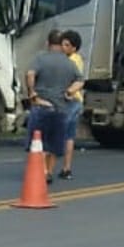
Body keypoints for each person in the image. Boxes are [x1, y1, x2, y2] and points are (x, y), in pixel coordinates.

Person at [25, 30, 84, 183]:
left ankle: (41, 171)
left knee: (40, 141)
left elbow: (30, 74)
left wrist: (32, 93)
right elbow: (81, 80)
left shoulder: (40, 58)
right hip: (61, 108)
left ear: (47, 43)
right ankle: (49, 172)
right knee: (55, 143)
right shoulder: (69, 62)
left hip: (42, 105)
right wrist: (70, 91)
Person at [58, 29, 85, 180]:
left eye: (66, 45)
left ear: (74, 48)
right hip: (77, 101)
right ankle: (66, 169)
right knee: (69, 136)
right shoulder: (78, 59)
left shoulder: (71, 60)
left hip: (70, 100)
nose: (63, 48)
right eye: (62, 44)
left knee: (57, 134)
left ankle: (47, 168)